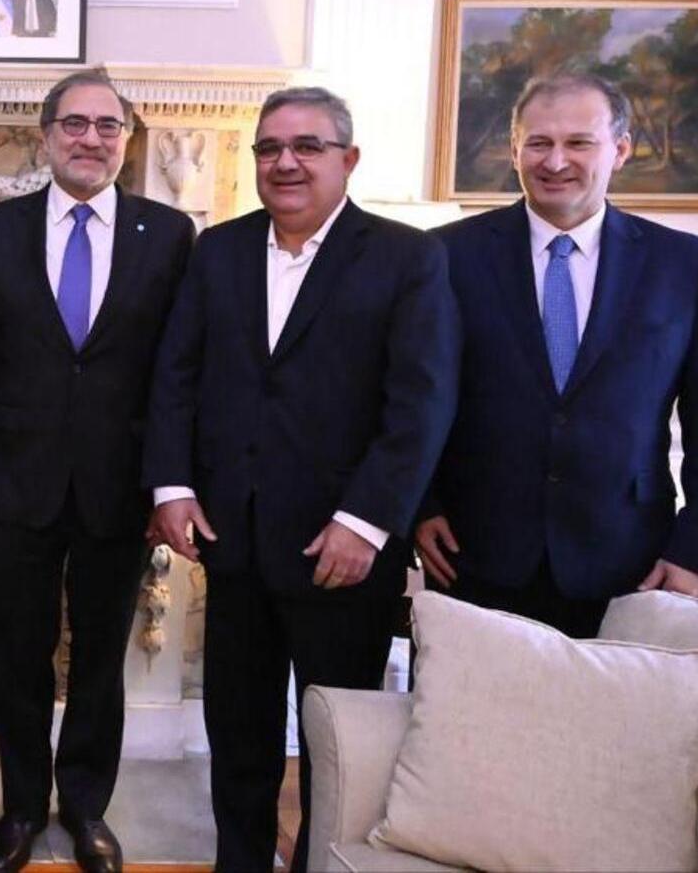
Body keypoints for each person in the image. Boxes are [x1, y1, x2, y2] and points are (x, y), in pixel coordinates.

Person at [144, 86, 459, 873]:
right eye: (269, 148)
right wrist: (170, 486)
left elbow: (421, 400)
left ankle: (324, 862)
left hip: (342, 549)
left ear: (347, 159)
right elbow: (175, 376)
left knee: (337, 743)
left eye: (307, 146)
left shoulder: (406, 255)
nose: (285, 162)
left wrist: (366, 521)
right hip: (235, 542)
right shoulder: (218, 249)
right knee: (239, 735)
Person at [0, 71, 194, 873]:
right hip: (13, 479)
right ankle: (21, 807)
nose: (91, 139)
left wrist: (169, 483)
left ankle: (85, 804)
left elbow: (176, 370)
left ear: (126, 139)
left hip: (116, 484)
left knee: (98, 660)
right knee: (16, 654)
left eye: (108, 126)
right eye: (75, 125)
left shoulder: (168, 234)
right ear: (45, 134)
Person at [417, 73, 698, 636]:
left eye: (579, 142)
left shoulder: (687, 268)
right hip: (473, 555)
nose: (555, 161)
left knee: (616, 726)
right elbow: (410, 395)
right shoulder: (443, 257)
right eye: (538, 143)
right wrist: (420, 507)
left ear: (620, 150)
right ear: (514, 150)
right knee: (469, 724)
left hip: (630, 564)